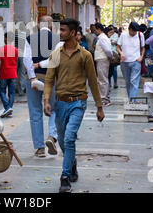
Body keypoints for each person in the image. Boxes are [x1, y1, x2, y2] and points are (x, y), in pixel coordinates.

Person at [43, 18, 104, 193]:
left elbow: (93, 82)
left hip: (78, 102)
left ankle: (64, 176)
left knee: (69, 138)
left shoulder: (85, 55)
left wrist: (99, 106)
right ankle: (72, 162)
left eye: (62, 30)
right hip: (60, 103)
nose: (59, 33)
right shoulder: (55, 55)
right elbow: (48, 80)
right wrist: (47, 101)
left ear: (72, 33)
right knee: (62, 140)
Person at [23, 15, 59, 157]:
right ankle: (51, 136)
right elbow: (56, 60)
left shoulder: (29, 39)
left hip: (33, 79)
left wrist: (32, 77)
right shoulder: (57, 40)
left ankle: (39, 148)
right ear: (51, 26)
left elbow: (26, 60)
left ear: (39, 25)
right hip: (51, 79)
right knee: (54, 109)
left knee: (35, 112)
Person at [116, 22, 145, 101]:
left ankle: (132, 101)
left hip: (136, 62)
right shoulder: (123, 35)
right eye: (133, 31)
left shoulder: (140, 35)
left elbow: (143, 47)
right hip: (124, 63)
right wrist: (121, 53)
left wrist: (141, 57)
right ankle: (131, 100)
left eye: (136, 31)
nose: (134, 33)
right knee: (128, 82)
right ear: (129, 29)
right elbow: (118, 47)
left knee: (133, 82)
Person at [0, 32, 18, 118]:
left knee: (1, 91)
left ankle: (7, 107)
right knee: (11, 93)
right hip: (13, 73)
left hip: (4, 73)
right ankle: (9, 110)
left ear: (5, 39)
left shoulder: (1, 49)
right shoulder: (15, 50)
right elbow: (15, 61)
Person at [92, 23, 113, 107]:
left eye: (95, 30)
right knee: (101, 79)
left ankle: (104, 99)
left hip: (102, 60)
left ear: (98, 29)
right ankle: (103, 98)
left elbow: (107, 50)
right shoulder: (101, 38)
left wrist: (111, 57)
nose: (94, 32)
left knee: (102, 80)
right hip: (101, 59)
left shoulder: (102, 38)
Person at [15, 28, 27, 96]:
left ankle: (13, 89)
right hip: (22, 54)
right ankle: (21, 90)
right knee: (22, 73)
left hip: (14, 54)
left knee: (14, 72)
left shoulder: (13, 35)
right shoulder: (25, 35)